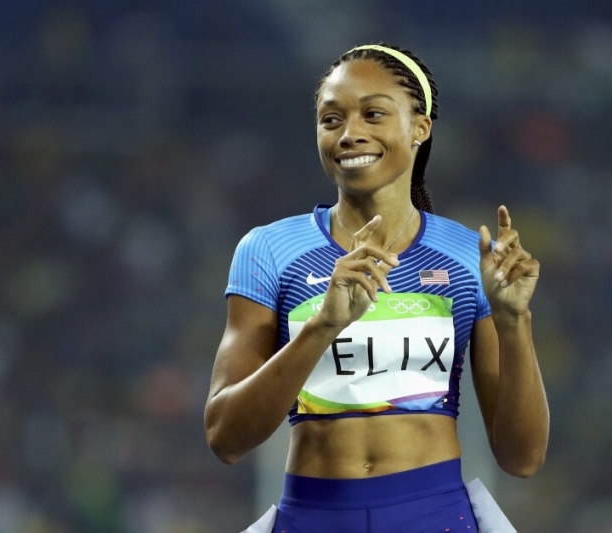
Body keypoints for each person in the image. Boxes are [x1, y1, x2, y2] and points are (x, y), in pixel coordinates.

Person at [203, 43, 549, 532]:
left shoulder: (470, 257)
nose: (350, 134)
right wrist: (323, 326)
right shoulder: (269, 251)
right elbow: (225, 438)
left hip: (435, 518)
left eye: (373, 114)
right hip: (312, 518)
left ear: (420, 128)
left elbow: (522, 458)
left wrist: (515, 321)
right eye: (331, 120)